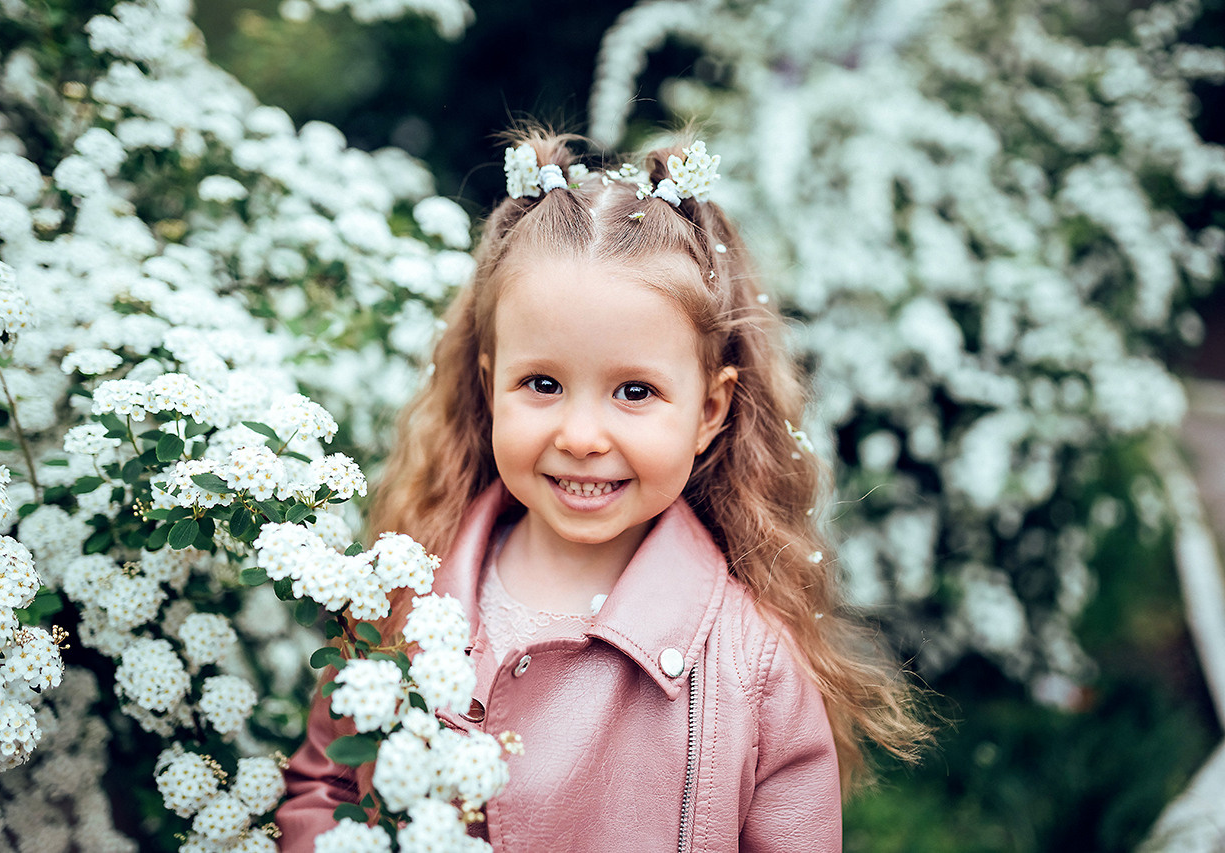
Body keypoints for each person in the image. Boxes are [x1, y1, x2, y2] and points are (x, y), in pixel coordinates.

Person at [277, 130, 929, 851]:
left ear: (710, 410)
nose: (582, 435)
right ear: (492, 386)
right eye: (544, 384)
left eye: (635, 390)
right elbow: (323, 788)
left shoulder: (754, 672)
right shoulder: (402, 599)